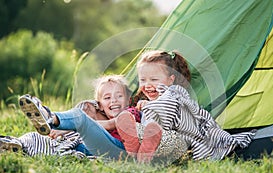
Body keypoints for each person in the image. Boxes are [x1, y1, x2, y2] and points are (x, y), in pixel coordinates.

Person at [118, 50, 255, 161]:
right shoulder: (150, 102)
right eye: (142, 80)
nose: (147, 85)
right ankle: (139, 153)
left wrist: (150, 107)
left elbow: (167, 111)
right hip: (156, 142)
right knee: (134, 128)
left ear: (171, 80)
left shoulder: (174, 94)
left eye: (154, 79)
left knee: (163, 137)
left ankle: (142, 152)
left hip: (177, 144)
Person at [17, 75, 162, 161]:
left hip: (121, 150)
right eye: (107, 98)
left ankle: (50, 118)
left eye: (119, 96)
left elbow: (111, 124)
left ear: (128, 99)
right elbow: (96, 128)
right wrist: (65, 132)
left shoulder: (131, 112)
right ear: (100, 105)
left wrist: (72, 127)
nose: (114, 101)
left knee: (80, 118)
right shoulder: (99, 115)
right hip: (98, 150)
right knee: (42, 140)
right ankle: (17, 144)